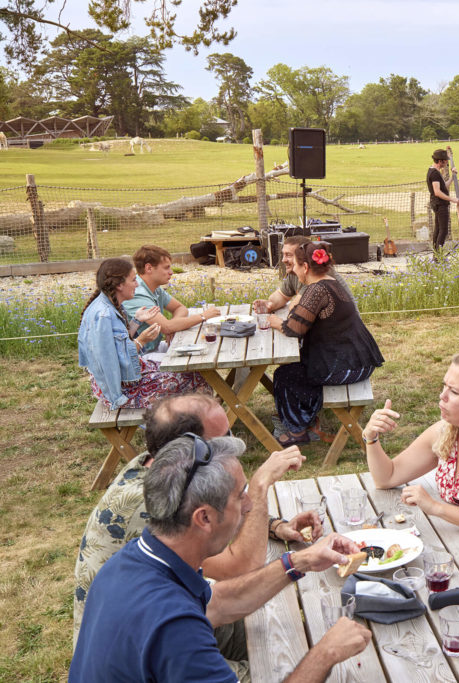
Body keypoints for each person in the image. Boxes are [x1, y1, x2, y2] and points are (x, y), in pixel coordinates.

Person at [71, 434, 371, 681]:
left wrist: (298, 562)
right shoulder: (174, 628)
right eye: (240, 495)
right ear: (204, 518)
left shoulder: (136, 559)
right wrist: (326, 653)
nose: (249, 505)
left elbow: (217, 603)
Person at [72, 393, 321, 655]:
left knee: (298, 637)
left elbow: (217, 508)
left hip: (184, 613)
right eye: (223, 439)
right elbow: (240, 568)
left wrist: (275, 526)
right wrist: (259, 486)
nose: (232, 446)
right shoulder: (149, 505)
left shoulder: (161, 469)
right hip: (148, 650)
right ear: (191, 449)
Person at [361, 350, 459, 533]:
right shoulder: (446, 431)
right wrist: (371, 437)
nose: (442, 396)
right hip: (455, 543)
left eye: (454, 391)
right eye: (444, 386)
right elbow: (387, 477)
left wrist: (436, 508)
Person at [268, 241, 384, 446]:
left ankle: (298, 432)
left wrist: (274, 322)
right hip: (357, 358)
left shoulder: (316, 290)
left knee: (285, 376)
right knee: (294, 370)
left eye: (295, 264)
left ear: (305, 267)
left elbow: (294, 328)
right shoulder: (329, 281)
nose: (292, 269)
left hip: (350, 366)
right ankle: (306, 417)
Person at [78, 257, 208, 410]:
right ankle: (195, 427)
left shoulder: (106, 305)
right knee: (196, 377)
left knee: (189, 367)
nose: (137, 284)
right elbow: (112, 362)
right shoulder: (104, 316)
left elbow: (118, 344)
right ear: (119, 285)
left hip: (127, 377)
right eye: (133, 280)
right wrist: (141, 340)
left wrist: (136, 321)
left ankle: (188, 425)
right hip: (122, 390)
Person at [123, 244, 221, 354]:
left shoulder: (154, 288)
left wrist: (172, 326)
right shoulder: (137, 293)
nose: (171, 272)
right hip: (141, 357)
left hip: (154, 348)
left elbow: (180, 308)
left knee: (203, 350)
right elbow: (167, 327)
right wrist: (203, 316)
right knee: (196, 358)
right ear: (149, 268)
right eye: (166, 268)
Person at [253, 235, 358, 315]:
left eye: (288, 255)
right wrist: (269, 304)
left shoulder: (317, 274)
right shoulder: (296, 271)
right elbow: (282, 295)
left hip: (343, 335)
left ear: (302, 257)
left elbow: (296, 310)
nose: (283, 260)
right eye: (283, 254)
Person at [427, 148, 459, 251]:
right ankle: (438, 256)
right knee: (443, 231)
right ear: (440, 161)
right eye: (445, 161)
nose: (447, 163)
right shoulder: (434, 173)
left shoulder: (436, 172)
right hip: (440, 204)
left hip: (439, 204)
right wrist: (452, 199)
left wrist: (453, 177)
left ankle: (436, 255)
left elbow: (444, 187)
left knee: (438, 230)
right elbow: (437, 192)